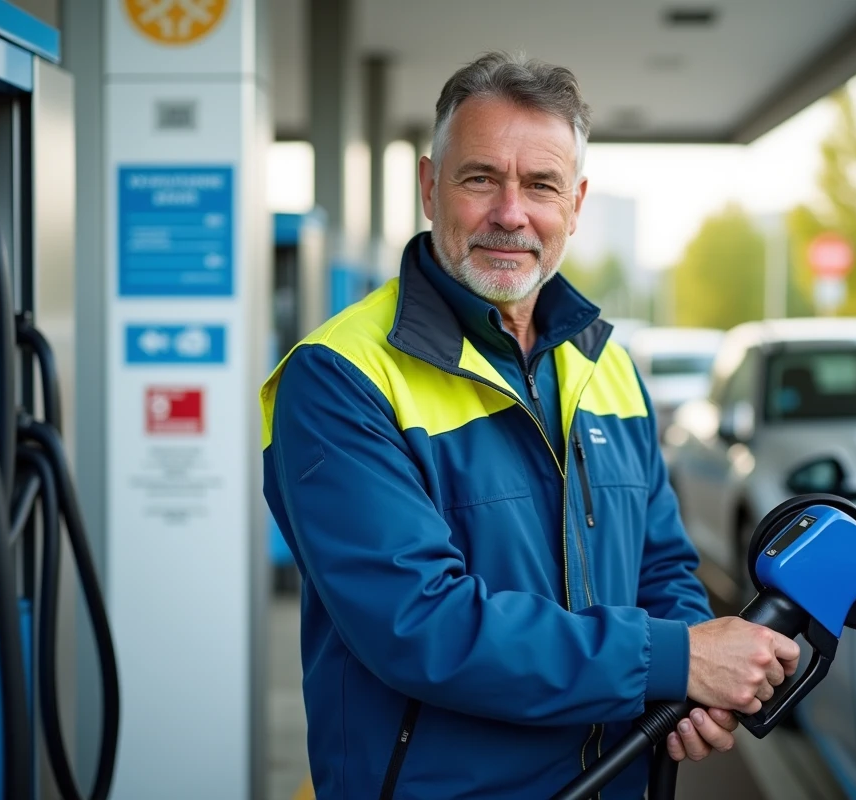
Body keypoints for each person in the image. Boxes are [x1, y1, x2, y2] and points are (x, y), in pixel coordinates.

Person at [260, 51, 801, 799]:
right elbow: (420, 625)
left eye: (540, 185)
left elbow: (663, 566)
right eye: (481, 177)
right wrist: (675, 659)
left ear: (575, 204)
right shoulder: (341, 376)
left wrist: (689, 690)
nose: (510, 213)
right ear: (428, 187)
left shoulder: (607, 363)